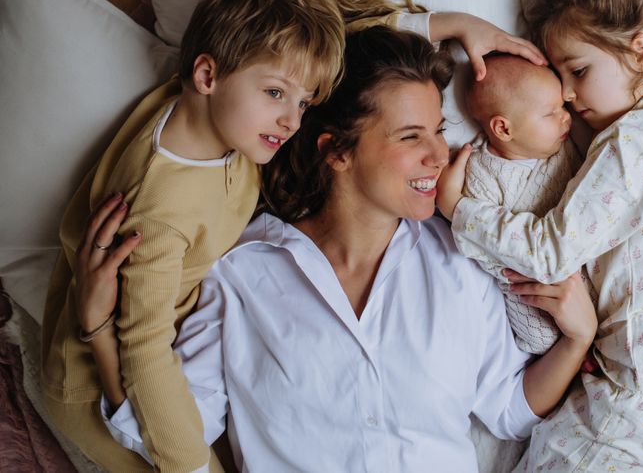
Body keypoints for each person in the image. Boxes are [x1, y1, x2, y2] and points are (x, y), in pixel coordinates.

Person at [74, 25, 597, 472]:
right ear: (337, 151)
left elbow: (508, 407)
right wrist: (100, 330)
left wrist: (577, 340)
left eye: (439, 130)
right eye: (411, 137)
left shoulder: (460, 260)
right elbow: (170, 437)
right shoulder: (241, 274)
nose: (442, 154)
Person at [41, 0, 348, 473]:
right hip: (96, 375)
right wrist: (191, 466)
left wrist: (446, 24)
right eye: (275, 93)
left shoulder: (223, 118)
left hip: (175, 322)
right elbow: (143, 351)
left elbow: (341, 43)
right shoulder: (161, 215)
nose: (292, 119)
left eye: (303, 102)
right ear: (207, 74)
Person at [438, 0, 643, 471]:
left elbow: (550, 251)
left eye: (577, 71)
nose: (564, 94)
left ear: (642, 50)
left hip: (635, 394)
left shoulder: (634, 145)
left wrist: (461, 211)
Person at [463, 54, 583, 354]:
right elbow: (481, 239)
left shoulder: (563, 146)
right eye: (551, 113)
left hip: (574, 261)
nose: (566, 116)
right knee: (542, 338)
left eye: (563, 107)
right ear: (504, 129)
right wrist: (519, 268)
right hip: (526, 280)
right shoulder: (482, 172)